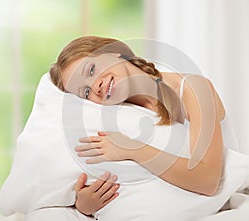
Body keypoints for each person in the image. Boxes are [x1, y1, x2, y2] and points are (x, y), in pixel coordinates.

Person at [49, 36, 226, 216]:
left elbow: (208, 180)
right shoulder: (122, 115)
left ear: (113, 51)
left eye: (91, 70)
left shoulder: (194, 88)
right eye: (86, 92)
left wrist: (133, 150)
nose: (96, 87)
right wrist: (83, 205)